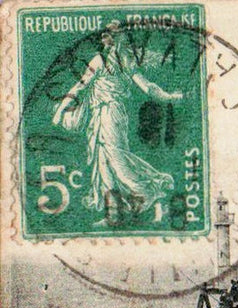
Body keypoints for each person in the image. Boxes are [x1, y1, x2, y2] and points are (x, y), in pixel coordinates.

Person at [52, 21, 184, 224]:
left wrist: (170, 97)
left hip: (112, 113)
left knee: (116, 158)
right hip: (100, 115)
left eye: (111, 36)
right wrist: (61, 109)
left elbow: (147, 87)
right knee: (103, 162)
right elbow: (79, 86)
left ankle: (150, 189)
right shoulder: (102, 60)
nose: (108, 40)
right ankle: (111, 214)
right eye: (108, 36)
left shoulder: (124, 60)